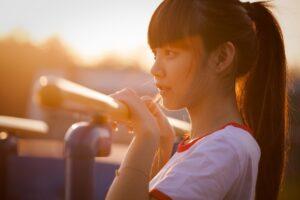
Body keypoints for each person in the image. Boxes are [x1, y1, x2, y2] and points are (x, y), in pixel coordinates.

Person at [105, 0, 289, 199]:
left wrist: (144, 138)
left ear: (221, 58)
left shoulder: (224, 149)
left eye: (170, 53)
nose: (155, 70)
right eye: (155, 54)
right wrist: (161, 145)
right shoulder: (219, 144)